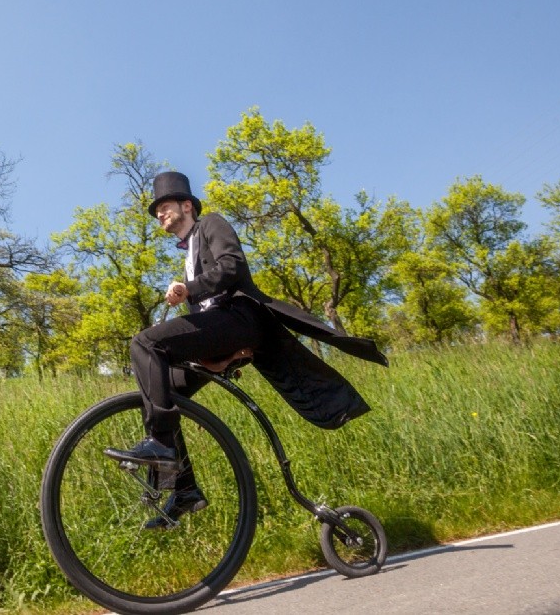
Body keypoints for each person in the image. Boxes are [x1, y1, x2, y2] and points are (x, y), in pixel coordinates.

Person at [104, 171, 388, 529]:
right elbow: (202, 320)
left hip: (239, 318)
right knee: (164, 387)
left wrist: (190, 289)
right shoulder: (188, 250)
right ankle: (184, 487)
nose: (160, 214)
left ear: (186, 205)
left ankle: (160, 444)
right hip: (222, 331)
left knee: (145, 342)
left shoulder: (211, 225)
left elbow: (232, 267)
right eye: (157, 210)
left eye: (165, 206)